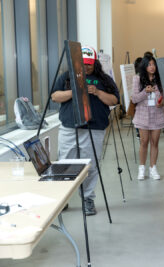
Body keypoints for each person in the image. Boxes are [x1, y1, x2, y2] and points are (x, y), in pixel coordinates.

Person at [52, 46, 119, 216]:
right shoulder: (67, 77)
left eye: (89, 64)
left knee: (91, 165)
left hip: (94, 127)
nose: (86, 67)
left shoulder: (104, 79)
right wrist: (73, 91)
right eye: (83, 63)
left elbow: (114, 100)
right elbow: (54, 96)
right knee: (64, 165)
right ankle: (62, 198)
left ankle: (88, 198)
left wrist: (97, 92)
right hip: (69, 127)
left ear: (94, 63)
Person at [131, 55, 164, 180]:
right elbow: (134, 98)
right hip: (142, 115)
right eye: (149, 65)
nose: (152, 67)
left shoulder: (160, 79)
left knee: (154, 143)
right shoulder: (137, 79)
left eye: (153, 64)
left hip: (157, 114)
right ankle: (142, 169)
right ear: (144, 66)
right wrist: (145, 92)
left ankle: (153, 168)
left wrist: (162, 102)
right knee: (144, 142)